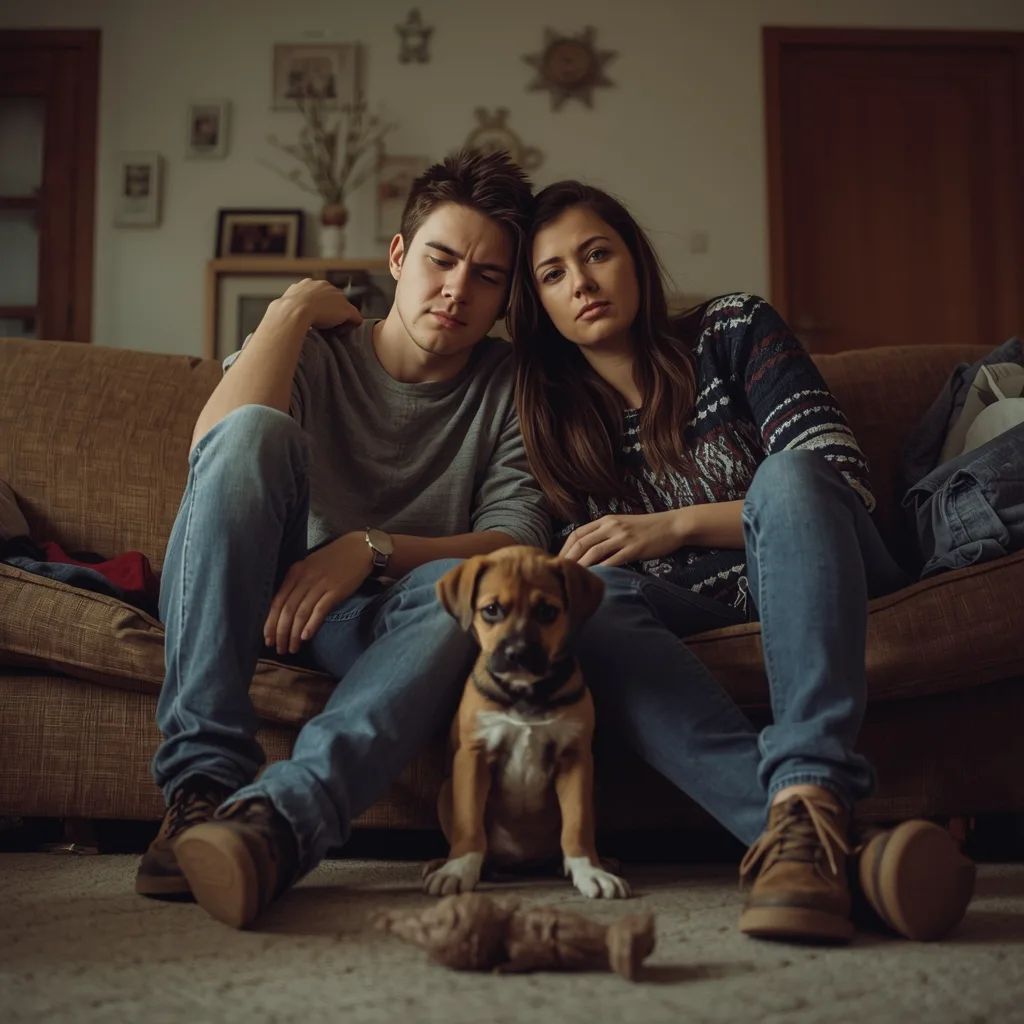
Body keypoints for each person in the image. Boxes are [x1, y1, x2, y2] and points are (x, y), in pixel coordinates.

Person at [509, 180, 974, 944]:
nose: (583, 283)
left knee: (786, 477)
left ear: (636, 261)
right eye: (553, 274)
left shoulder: (732, 328)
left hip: (823, 564)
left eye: (597, 253)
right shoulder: (548, 420)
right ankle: (822, 847)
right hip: (694, 609)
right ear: (538, 305)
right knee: (589, 601)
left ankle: (809, 784)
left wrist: (671, 527)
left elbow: (839, 481)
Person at [135, 150, 550, 929]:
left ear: (505, 298)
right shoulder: (317, 349)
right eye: (441, 258)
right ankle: (201, 794)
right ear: (398, 256)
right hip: (264, 591)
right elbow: (217, 451)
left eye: (488, 276)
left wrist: (370, 545)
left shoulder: (512, 386)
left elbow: (517, 539)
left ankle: (275, 827)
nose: (458, 289)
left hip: (386, 623)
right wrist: (290, 309)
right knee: (255, 431)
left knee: (460, 597)